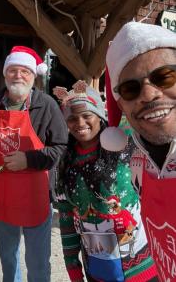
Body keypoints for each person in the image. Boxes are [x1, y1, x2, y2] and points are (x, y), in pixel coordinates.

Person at [0, 45, 68, 282]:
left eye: (24, 71)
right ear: (5, 74)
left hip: (35, 196)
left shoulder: (46, 105)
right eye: (13, 70)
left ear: (33, 76)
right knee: (8, 258)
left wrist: (28, 159)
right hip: (0, 194)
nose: (18, 76)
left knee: (37, 261)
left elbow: (60, 147)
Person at [53, 80, 157, 282]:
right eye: (72, 118)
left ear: (100, 116)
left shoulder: (127, 143)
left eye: (87, 115)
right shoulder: (65, 163)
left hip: (144, 266)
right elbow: (66, 219)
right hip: (100, 269)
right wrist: (73, 269)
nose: (80, 123)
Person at [105, 21, 176, 282]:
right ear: (121, 103)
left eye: (164, 76)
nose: (148, 94)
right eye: (131, 88)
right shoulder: (137, 161)